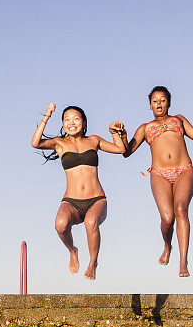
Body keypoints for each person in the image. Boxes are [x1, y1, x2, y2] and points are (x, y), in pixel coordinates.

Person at [120, 86, 193, 277]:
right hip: (159, 174)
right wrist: (121, 134)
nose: (159, 104)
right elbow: (126, 152)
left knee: (180, 209)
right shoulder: (144, 128)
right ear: (150, 105)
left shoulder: (178, 119)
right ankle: (167, 246)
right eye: (155, 101)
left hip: (184, 170)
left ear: (169, 103)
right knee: (167, 218)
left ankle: (183, 261)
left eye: (163, 100)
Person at [31, 103, 126, 279]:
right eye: (66, 119)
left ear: (83, 121)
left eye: (76, 118)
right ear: (63, 123)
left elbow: (120, 149)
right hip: (71, 201)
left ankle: (92, 263)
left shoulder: (94, 140)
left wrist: (114, 132)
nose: (71, 122)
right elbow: (35, 143)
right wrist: (47, 116)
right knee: (60, 225)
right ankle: (72, 251)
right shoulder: (60, 144)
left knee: (91, 222)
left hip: (96, 199)